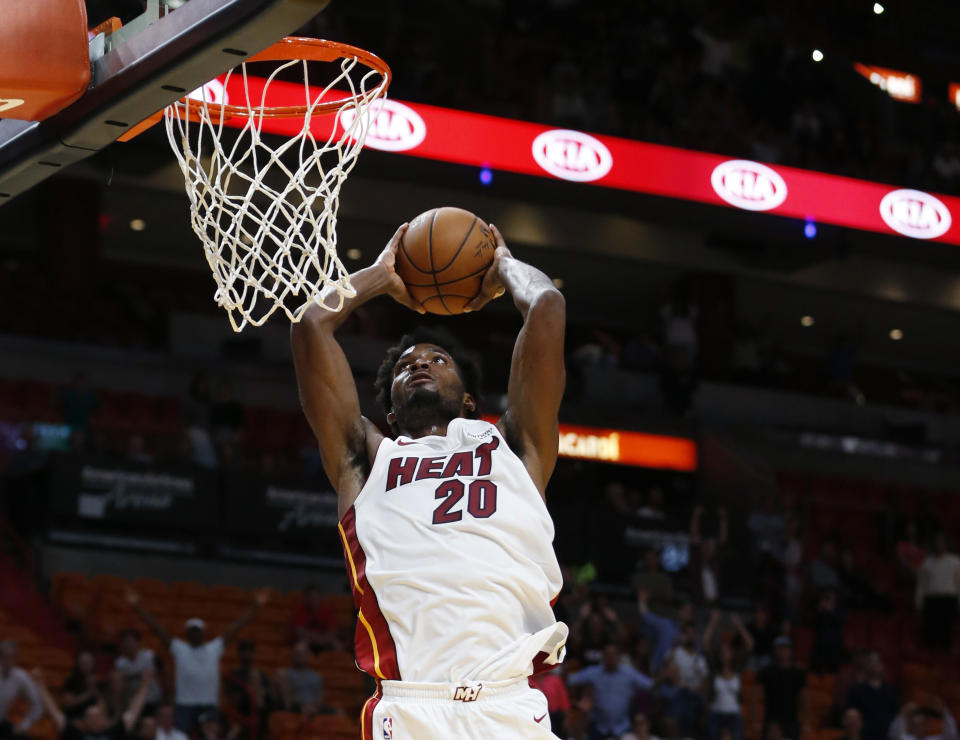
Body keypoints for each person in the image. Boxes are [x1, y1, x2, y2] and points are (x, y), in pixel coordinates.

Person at [290, 222, 567, 739]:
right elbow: (310, 326)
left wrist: (502, 267)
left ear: (467, 400)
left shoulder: (512, 445)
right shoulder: (367, 458)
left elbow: (547, 306)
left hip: (509, 705)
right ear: (390, 412)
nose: (419, 366)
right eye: (405, 366)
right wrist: (379, 276)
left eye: (436, 359)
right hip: (414, 707)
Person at [126, 588, 269, 734]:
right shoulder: (179, 648)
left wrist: (255, 606)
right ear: (187, 633)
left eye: (198, 630)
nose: (195, 633)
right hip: (184, 705)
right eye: (192, 631)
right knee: (177, 735)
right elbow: (156, 628)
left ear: (203, 633)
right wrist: (136, 606)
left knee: (212, 734)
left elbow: (235, 628)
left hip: (208, 705)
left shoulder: (214, 648)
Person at [33, 666, 153, 740]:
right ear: (86, 722)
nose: (95, 721)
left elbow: (133, 713)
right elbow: (55, 713)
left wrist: (145, 685)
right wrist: (40, 686)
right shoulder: (76, 735)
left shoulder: (114, 733)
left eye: (98, 717)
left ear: (104, 719)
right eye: (91, 718)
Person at [567, 644, 653, 740]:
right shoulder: (594, 672)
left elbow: (650, 685)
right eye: (608, 655)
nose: (611, 658)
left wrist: (663, 676)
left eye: (613, 654)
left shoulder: (629, 673)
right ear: (603, 657)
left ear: (619, 656)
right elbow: (570, 680)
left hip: (622, 727)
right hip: (599, 726)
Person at [702, 611, 754, 740]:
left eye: (727, 650)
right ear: (719, 654)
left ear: (732, 654)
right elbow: (705, 644)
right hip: (716, 713)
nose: (724, 653)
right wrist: (713, 622)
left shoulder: (737, 670)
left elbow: (750, 645)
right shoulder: (714, 670)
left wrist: (739, 625)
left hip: (734, 714)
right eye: (722, 651)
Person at [756, 636, 807, 740]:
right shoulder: (766, 672)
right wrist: (755, 720)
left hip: (791, 721)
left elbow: (804, 698)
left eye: (786, 648)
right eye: (780, 648)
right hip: (771, 721)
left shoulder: (798, 673)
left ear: (790, 651)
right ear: (775, 650)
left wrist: (807, 721)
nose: (783, 652)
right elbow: (755, 696)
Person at [916, 534, 960, 651]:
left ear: (946, 544)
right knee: (930, 633)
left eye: (941, 542)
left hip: (948, 600)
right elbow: (922, 585)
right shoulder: (927, 562)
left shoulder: (955, 562)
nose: (939, 545)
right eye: (936, 542)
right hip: (931, 601)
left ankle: (945, 659)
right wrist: (919, 602)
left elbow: (958, 584)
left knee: (946, 632)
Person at [222, 641, 271, 740]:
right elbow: (233, 701)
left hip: (259, 719)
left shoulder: (261, 675)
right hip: (240, 718)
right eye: (244, 651)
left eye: (249, 651)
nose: (247, 655)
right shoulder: (232, 675)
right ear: (239, 654)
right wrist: (250, 690)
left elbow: (268, 698)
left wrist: (260, 695)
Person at [274, 641, 337, 716]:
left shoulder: (316, 676)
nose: (299, 656)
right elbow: (286, 699)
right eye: (297, 653)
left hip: (314, 709)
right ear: (292, 655)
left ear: (307, 655)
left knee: (337, 712)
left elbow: (319, 697)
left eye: (302, 654)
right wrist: (301, 706)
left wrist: (313, 707)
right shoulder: (283, 674)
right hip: (295, 708)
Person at [845, 652, 898, 740]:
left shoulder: (890, 690)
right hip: (864, 735)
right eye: (872, 662)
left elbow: (895, 713)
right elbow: (852, 712)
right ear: (867, 666)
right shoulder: (857, 689)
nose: (875, 665)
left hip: (885, 734)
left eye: (877, 662)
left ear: (882, 665)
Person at [113, 630, 162, 714]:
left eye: (131, 641)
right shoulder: (120, 663)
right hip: (133, 702)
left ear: (138, 642)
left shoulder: (149, 656)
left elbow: (161, 673)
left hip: (152, 699)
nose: (129, 645)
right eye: (126, 642)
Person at [0, 642, 41, 739]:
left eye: (10, 657)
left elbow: (37, 703)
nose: (7, 661)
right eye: (4, 657)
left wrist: (25, 723)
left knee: (22, 737)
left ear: (15, 659)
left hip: (1, 723)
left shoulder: (21, 677)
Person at [689, 506, 727, 607]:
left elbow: (722, 541)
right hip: (698, 603)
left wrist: (723, 519)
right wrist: (695, 517)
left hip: (716, 604)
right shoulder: (697, 562)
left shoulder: (716, 563)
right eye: (704, 547)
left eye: (709, 547)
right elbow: (694, 538)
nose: (706, 549)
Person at [291, 585, 340, 653]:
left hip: (323, 640)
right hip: (307, 640)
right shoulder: (300, 609)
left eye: (315, 597)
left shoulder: (326, 610)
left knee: (337, 646)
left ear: (320, 598)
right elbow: (299, 631)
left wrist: (323, 639)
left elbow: (333, 631)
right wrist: (314, 638)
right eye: (311, 598)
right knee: (300, 648)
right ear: (306, 598)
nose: (313, 600)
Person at [61, 651, 106, 721]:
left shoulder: (99, 681)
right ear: (78, 663)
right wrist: (88, 694)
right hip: (75, 717)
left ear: (93, 663)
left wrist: (95, 690)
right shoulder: (72, 680)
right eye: (83, 662)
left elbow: (103, 707)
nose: (86, 664)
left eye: (88, 661)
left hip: (94, 719)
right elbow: (68, 703)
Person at [888, 698, 959, 740]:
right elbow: (894, 734)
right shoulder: (907, 738)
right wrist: (903, 714)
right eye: (915, 725)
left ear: (926, 725)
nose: (918, 728)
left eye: (921, 724)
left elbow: (952, 734)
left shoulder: (935, 739)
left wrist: (944, 711)